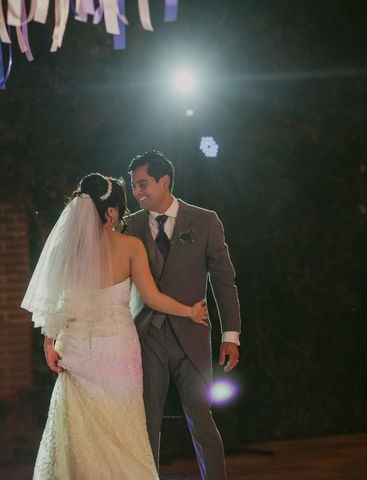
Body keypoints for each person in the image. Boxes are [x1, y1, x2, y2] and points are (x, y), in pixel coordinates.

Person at [21, 173, 209, 479]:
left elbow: (56, 301)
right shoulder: (131, 246)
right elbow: (152, 298)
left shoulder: (67, 251)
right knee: (123, 430)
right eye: (120, 208)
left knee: (79, 434)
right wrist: (189, 311)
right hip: (117, 353)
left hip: (75, 348)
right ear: (110, 212)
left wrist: (48, 343)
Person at [127, 150, 242, 480]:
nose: (137, 192)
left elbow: (223, 279)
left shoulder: (204, 221)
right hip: (145, 337)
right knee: (146, 422)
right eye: (134, 186)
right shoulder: (130, 226)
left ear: (165, 181)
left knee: (201, 419)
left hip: (191, 337)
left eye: (143, 184)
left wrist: (230, 335)